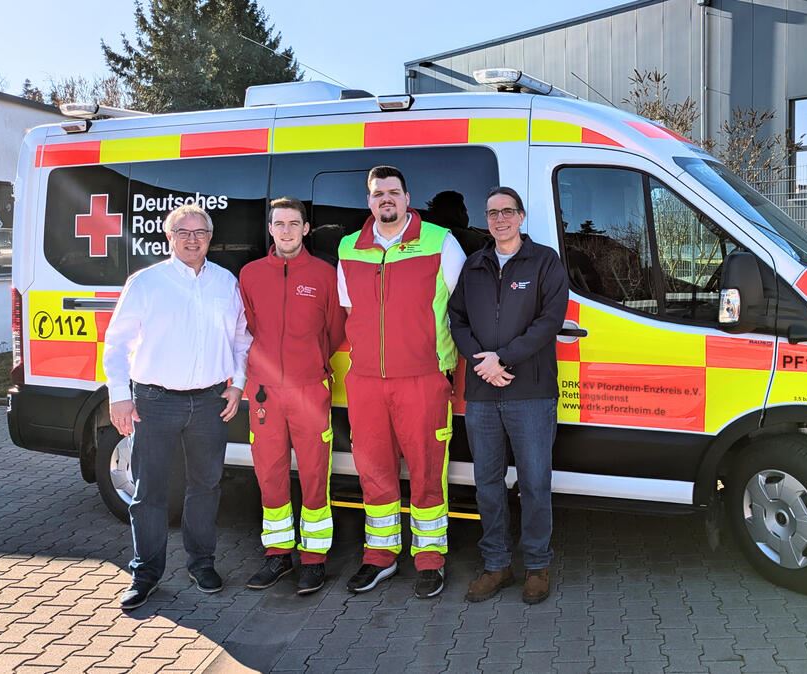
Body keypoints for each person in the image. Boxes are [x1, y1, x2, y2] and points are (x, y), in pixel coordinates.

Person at [104, 204, 251, 611]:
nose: (192, 239)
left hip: (210, 402)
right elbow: (116, 343)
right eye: (182, 232)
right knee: (149, 492)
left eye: (199, 232)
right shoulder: (146, 283)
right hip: (154, 401)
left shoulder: (226, 283)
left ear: (210, 236)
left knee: (205, 487)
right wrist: (119, 394)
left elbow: (241, 339)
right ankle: (145, 574)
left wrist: (237, 385)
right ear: (168, 238)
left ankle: (201, 564)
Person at [337, 166, 465, 599]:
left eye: (393, 192)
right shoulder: (348, 248)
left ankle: (429, 558)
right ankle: (380, 555)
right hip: (366, 381)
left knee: (429, 470)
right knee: (373, 470)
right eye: (377, 194)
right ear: (369, 201)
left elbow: (463, 309)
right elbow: (346, 310)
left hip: (424, 378)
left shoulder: (440, 241)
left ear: (408, 198)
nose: (385, 199)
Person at [447, 186, 569, 605]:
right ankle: (496, 564)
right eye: (492, 212)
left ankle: (537, 566)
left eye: (507, 212)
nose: (499, 219)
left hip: (530, 393)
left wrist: (503, 359)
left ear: (521, 217)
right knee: (487, 484)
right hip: (481, 392)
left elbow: (549, 321)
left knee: (535, 482)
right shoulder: (475, 265)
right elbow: (456, 318)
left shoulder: (544, 262)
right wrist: (481, 361)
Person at [239, 197, 346, 596]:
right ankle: (278, 555)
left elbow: (335, 330)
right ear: (270, 229)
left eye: (293, 223)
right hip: (265, 393)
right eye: (278, 223)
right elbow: (245, 329)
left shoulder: (324, 274)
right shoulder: (250, 275)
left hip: (309, 389)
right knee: (269, 473)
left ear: (305, 229)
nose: (285, 230)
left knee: (316, 473)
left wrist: (310, 365)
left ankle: (314, 561)